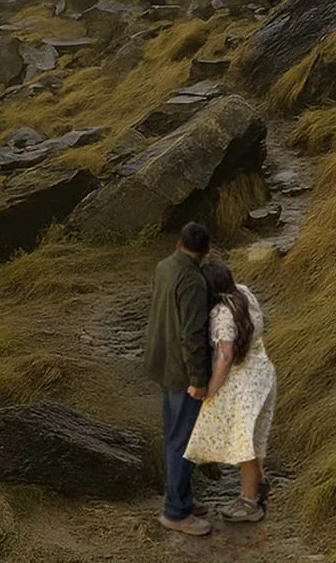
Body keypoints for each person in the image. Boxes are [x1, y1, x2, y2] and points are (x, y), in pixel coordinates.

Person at [184, 260, 277, 524]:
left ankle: (249, 504)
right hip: (264, 372)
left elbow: (225, 356)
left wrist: (210, 389)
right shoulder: (244, 292)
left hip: (244, 382)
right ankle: (258, 488)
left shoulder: (220, 314)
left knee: (243, 442)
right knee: (256, 437)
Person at [143, 222, 213, 537]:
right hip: (182, 371)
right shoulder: (193, 281)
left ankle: (181, 497)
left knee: (173, 434)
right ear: (206, 251)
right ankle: (175, 511)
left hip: (162, 361)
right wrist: (199, 379)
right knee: (182, 441)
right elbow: (193, 336)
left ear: (178, 243)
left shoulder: (163, 266)